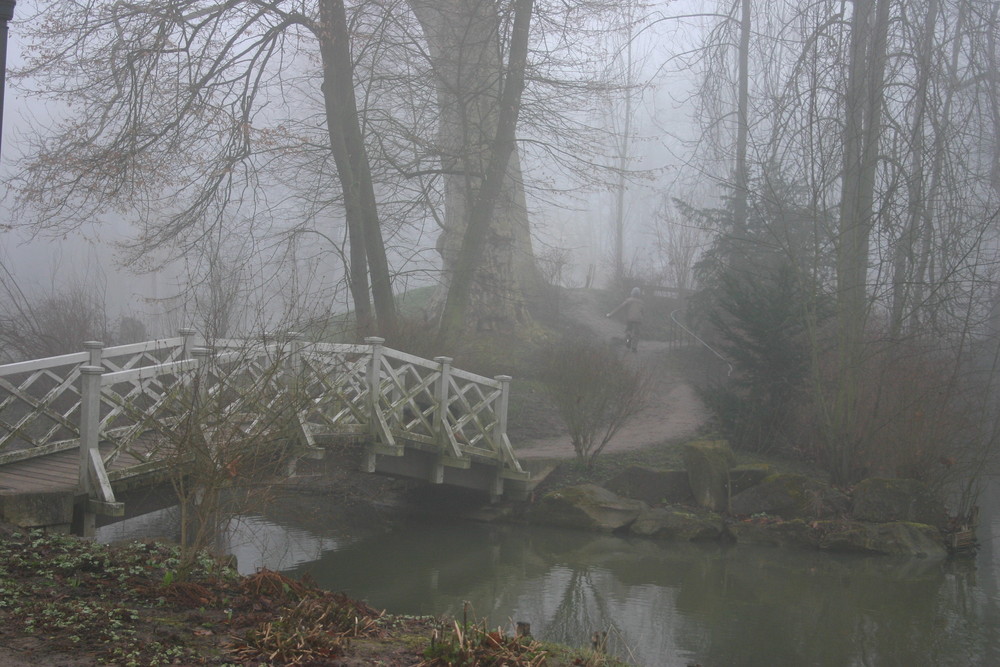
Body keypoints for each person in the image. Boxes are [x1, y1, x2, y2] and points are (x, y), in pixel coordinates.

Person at [606, 287, 644, 352]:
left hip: (630, 319)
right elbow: (642, 312)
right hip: (638, 320)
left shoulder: (628, 300)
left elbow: (619, 308)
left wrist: (610, 314)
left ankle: (628, 341)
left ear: (632, 293)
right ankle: (634, 348)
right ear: (639, 294)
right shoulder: (641, 302)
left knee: (628, 331)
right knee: (637, 334)